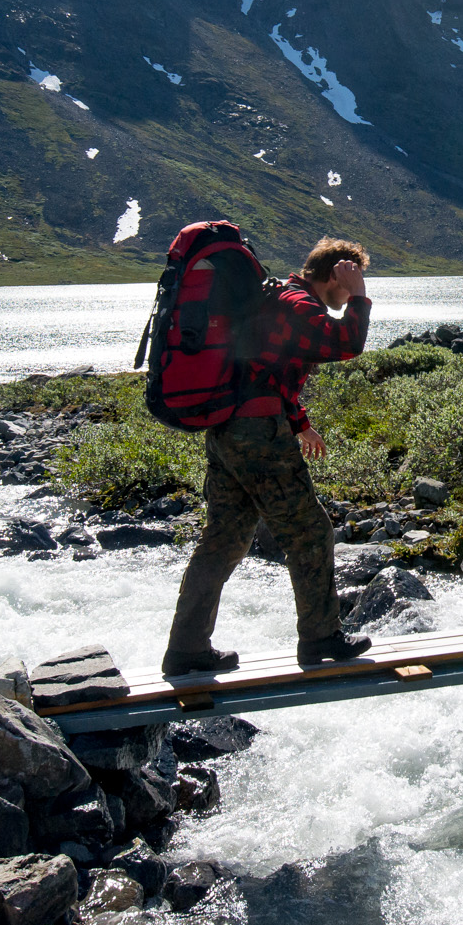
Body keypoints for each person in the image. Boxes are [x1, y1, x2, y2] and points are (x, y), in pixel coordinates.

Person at [162, 236, 375, 675]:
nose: (352, 285)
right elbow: (346, 343)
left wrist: (299, 422)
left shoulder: (280, 296)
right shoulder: (299, 303)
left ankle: (186, 649)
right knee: (310, 531)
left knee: (225, 539)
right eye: (350, 275)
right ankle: (320, 638)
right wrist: (359, 296)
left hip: (228, 429)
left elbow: (263, 368)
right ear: (337, 273)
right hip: (257, 433)